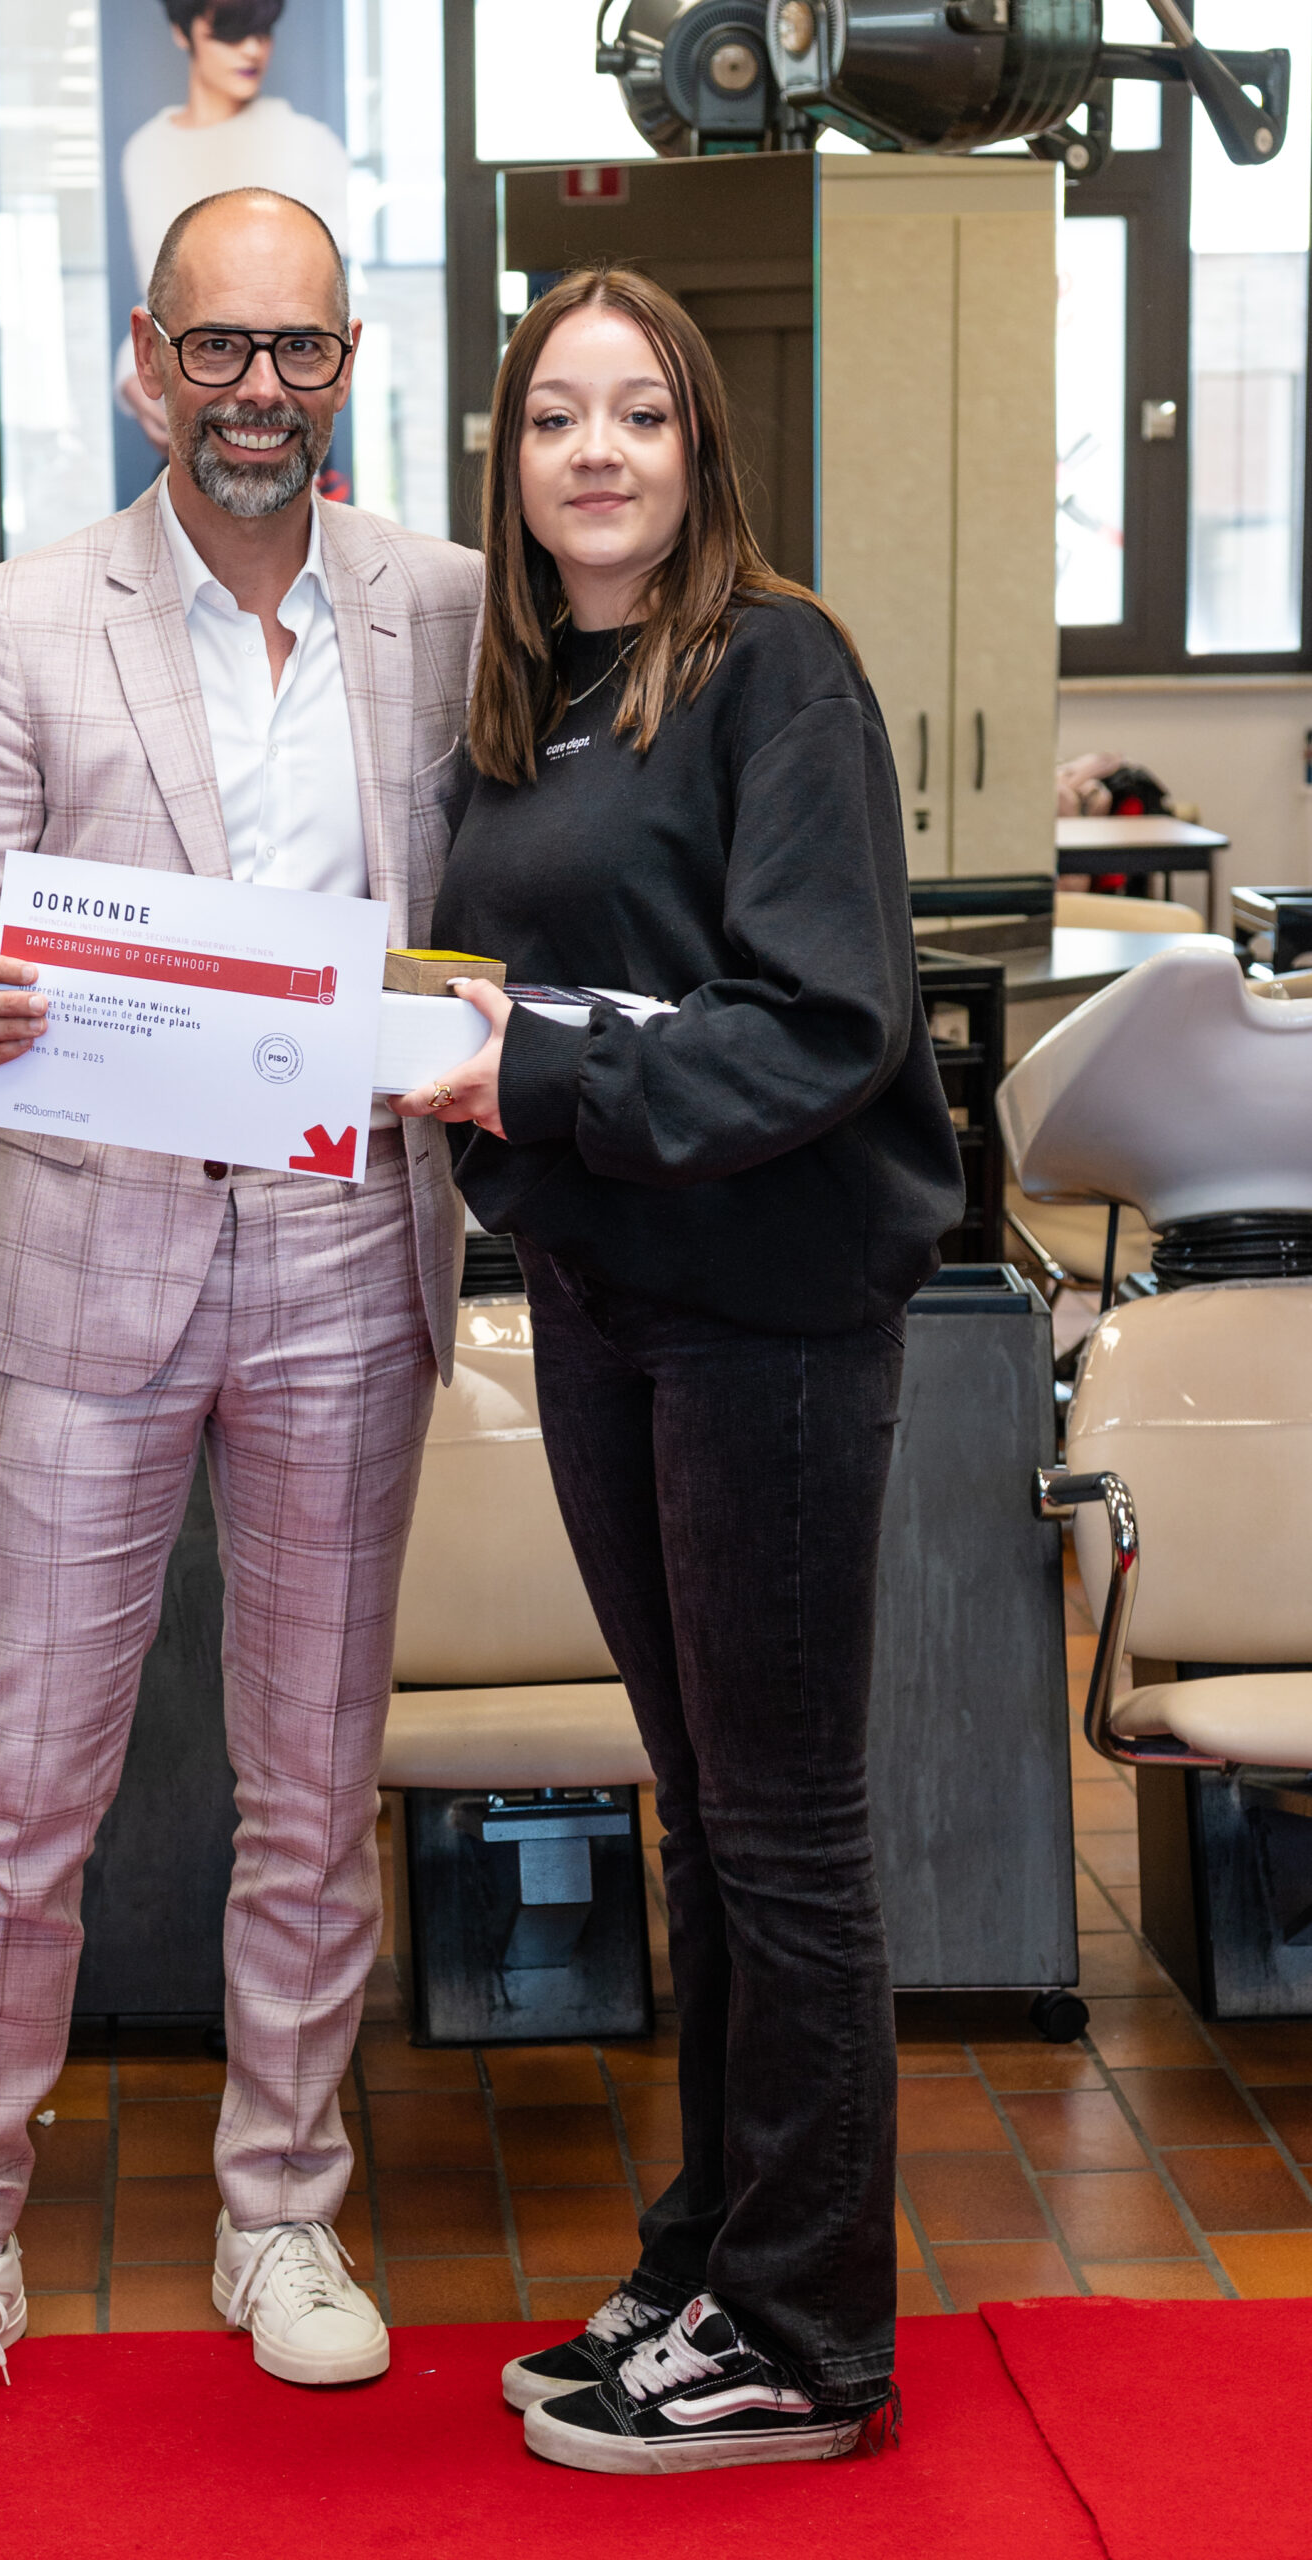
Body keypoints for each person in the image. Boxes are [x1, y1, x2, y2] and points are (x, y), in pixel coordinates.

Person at [0, 186, 481, 2425]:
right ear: (146, 362)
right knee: (26, 1778)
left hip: (345, 1245)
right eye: (216, 348)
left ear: (346, 368)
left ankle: (280, 2203)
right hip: (93, 1241)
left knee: (311, 1777)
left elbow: (488, 903)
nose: (255, 392)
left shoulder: (443, 605)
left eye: (296, 349)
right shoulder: (19, 615)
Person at [396, 267, 964, 2475]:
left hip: (771, 1310)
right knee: (706, 1809)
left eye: (637, 411)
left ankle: (806, 2330)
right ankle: (721, 2245)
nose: (597, 451)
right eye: (555, 417)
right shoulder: (526, 698)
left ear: (698, 442)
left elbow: (823, 1020)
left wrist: (522, 1073)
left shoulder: (771, 666)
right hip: (604, 1298)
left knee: (785, 1827)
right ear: (509, 462)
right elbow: (507, 995)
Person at [116, 2, 349, 455]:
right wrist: (133, 374)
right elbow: (158, 296)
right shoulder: (147, 153)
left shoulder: (310, 146)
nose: (252, 50)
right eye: (230, 32)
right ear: (182, 31)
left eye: (263, 32)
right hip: (190, 422)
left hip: (289, 428)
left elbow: (329, 304)